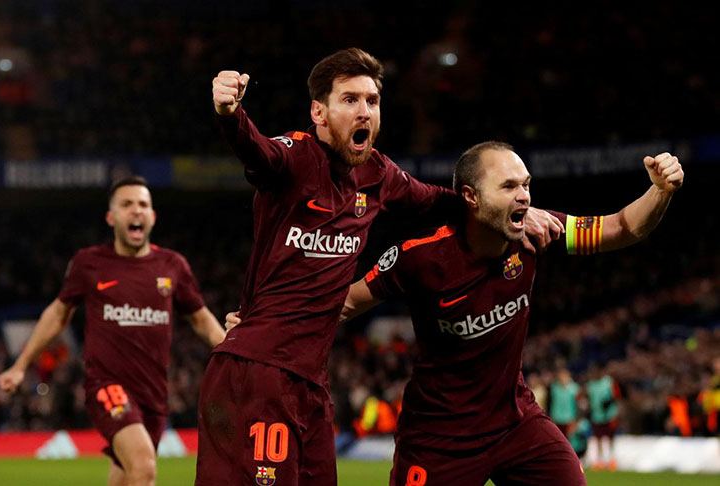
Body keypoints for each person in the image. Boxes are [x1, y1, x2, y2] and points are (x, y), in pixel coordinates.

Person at [200, 48, 562, 486]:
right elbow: (257, 152)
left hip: (311, 383)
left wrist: (514, 213)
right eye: (350, 100)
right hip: (258, 373)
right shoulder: (294, 158)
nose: (364, 111)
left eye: (372, 101)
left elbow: (446, 203)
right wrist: (230, 113)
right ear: (319, 112)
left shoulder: (378, 176)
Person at [341, 142, 683, 485]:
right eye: (508, 186)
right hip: (438, 438)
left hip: (515, 424)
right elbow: (347, 303)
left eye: (526, 184)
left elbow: (622, 228)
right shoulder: (421, 258)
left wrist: (660, 190)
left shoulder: (536, 232)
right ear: (471, 197)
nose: (524, 196)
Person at [0, 176, 226, 486]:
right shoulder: (90, 263)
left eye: (143, 205)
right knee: (144, 467)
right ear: (111, 216)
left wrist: (236, 353)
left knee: (124, 476)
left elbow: (201, 321)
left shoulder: (172, 266)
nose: (136, 211)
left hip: (154, 393)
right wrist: (22, 365)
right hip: (107, 385)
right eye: (127, 204)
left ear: (153, 217)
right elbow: (58, 313)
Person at [585, 365, 621, 470]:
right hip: (597, 415)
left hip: (610, 415)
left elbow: (617, 396)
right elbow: (588, 399)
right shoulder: (591, 385)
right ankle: (599, 461)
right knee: (598, 439)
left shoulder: (609, 382)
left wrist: (610, 402)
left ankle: (612, 459)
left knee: (610, 438)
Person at [550, 367, 582, 439]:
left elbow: (579, 404)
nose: (562, 378)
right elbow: (552, 403)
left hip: (570, 419)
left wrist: (576, 420)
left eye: (564, 376)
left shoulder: (574, 388)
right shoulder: (554, 388)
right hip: (557, 418)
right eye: (560, 376)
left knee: (570, 441)